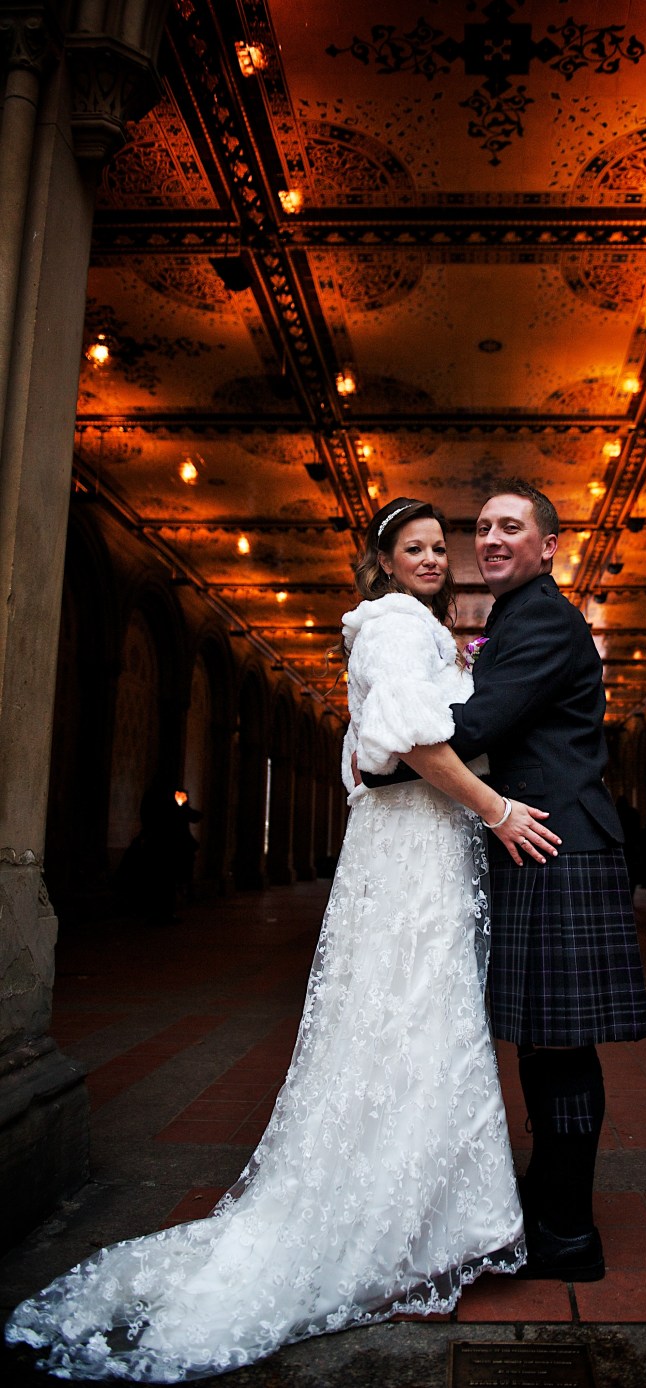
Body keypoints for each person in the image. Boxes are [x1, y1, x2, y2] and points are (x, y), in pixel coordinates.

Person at [5, 497, 559, 1381]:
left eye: (435, 548)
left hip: (420, 848)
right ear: (380, 563)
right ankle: (399, 1226)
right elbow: (401, 742)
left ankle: (418, 1214)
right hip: (415, 848)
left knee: (422, 1018)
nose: (431, 559)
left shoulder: (414, 627)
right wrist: (494, 810)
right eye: (412, 549)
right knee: (413, 1015)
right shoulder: (390, 626)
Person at [378, 480, 646, 1282]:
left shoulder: (539, 619)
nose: (491, 539)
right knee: (545, 1044)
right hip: (548, 840)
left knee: (559, 1047)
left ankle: (568, 1233)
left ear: (548, 545)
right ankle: (553, 1208)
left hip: (555, 843)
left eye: (512, 527)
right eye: (484, 528)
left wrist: (384, 754)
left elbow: (473, 729)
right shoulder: (517, 616)